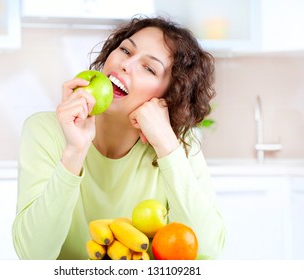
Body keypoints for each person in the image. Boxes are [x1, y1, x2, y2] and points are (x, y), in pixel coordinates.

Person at [12, 16, 226, 260]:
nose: (126, 64)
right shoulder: (45, 130)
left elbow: (208, 250)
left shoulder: (178, 144)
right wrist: (75, 151)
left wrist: (168, 146)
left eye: (149, 68)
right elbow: (32, 256)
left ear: (169, 97)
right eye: (125, 50)